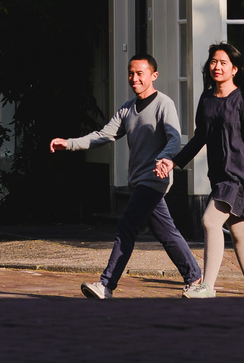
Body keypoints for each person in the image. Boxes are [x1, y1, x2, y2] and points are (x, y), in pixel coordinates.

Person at [50, 53, 202, 301]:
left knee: (126, 226)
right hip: (139, 181)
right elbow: (102, 135)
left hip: (154, 179)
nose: (134, 78)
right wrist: (68, 144)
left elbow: (175, 138)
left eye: (140, 73)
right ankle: (195, 279)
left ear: (153, 75)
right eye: (131, 73)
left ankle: (106, 285)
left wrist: (165, 159)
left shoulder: (164, 104)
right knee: (166, 233)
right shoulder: (127, 110)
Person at [170, 40, 244, 299]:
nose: (217, 67)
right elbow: (199, 137)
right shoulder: (206, 100)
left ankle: (208, 287)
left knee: (209, 221)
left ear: (235, 69)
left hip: (239, 176)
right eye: (214, 62)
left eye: (224, 63)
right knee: (239, 232)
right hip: (219, 176)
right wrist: (174, 162)